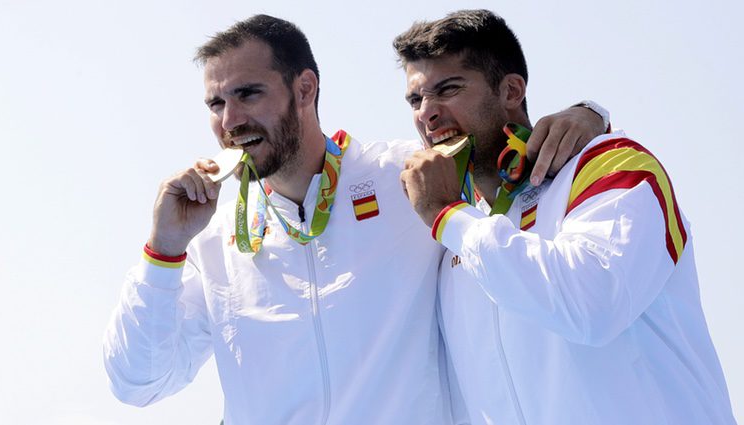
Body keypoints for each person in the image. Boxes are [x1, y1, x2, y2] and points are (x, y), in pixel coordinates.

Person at [103, 14, 606, 425]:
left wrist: (589, 114)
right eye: (216, 102)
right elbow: (138, 382)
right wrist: (162, 251)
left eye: (248, 94)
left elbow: (497, 144)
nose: (230, 120)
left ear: (305, 89)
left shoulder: (410, 178)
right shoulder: (211, 239)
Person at [396, 9, 737, 425]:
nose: (426, 114)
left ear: (511, 91)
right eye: (416, 99)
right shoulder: (453, 225)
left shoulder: (609, 166)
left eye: (447, 89)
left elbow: (590, 306)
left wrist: (449, 216)